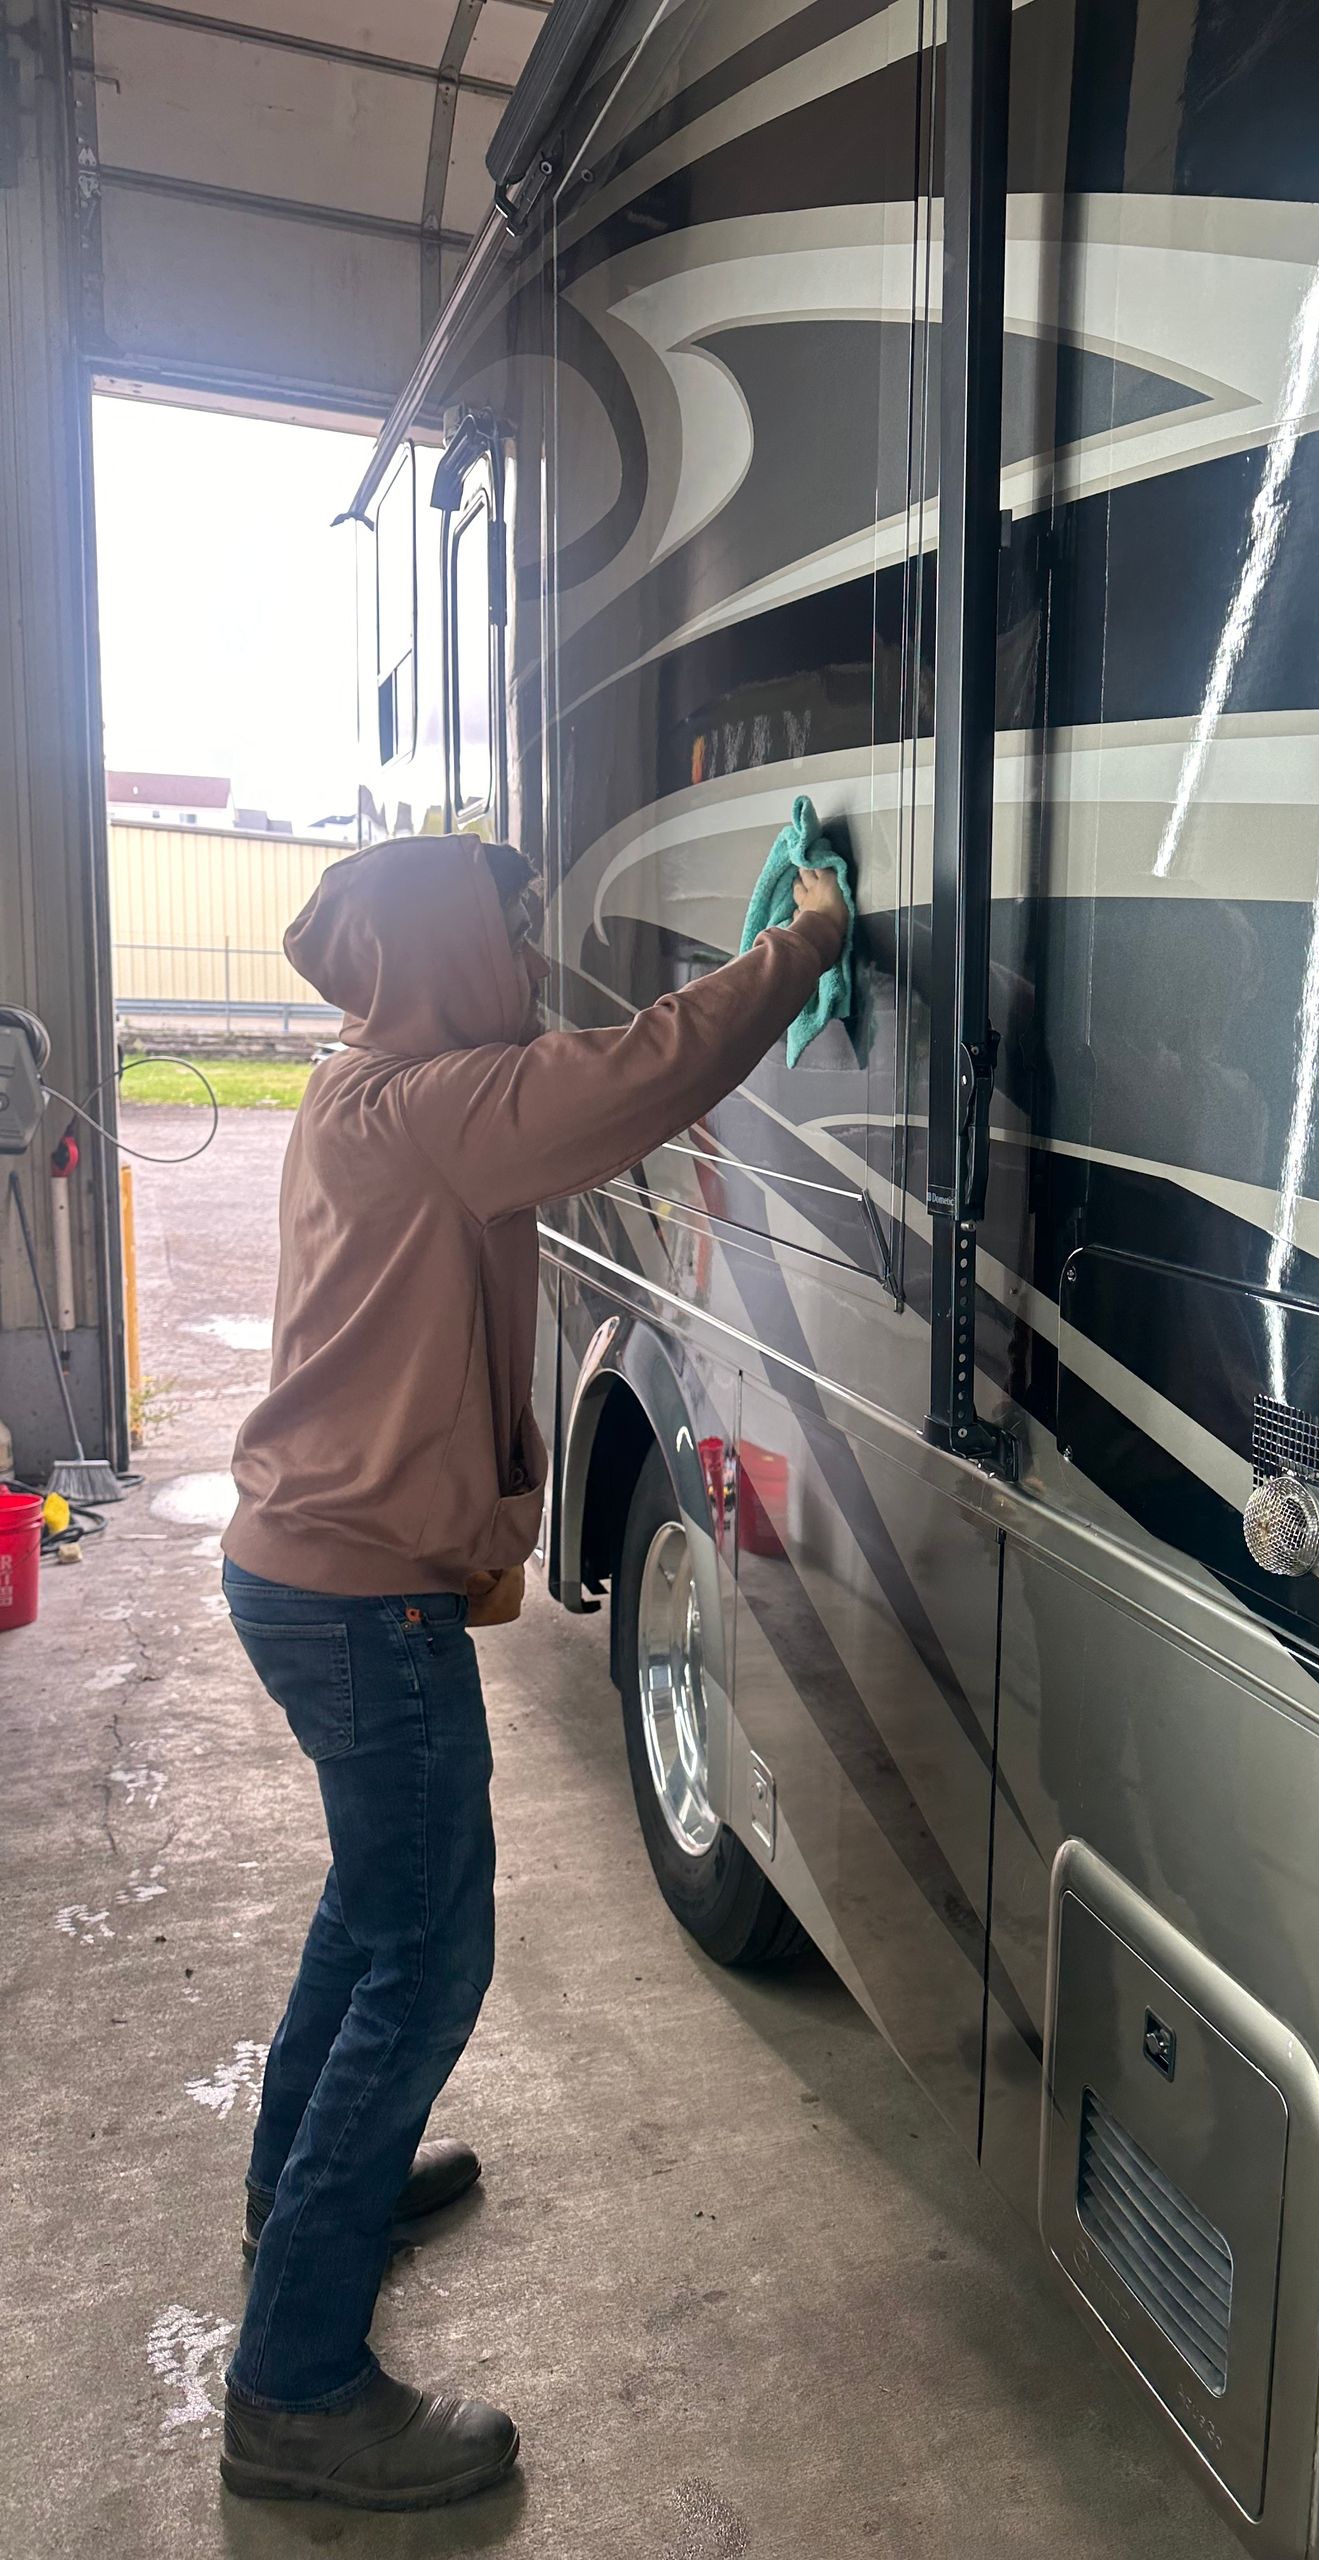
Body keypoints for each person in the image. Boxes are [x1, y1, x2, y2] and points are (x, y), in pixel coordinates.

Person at [215, 832, 846, 2509]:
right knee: (428, 1954)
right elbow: (636, 1076)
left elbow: (577, 1074)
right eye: (498, 928)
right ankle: (294, 2385)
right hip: (361, 1601)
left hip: (300, 1574)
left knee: (373, 1912)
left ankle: (302, 2199)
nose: (517, 950)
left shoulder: (367, 1089)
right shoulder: (435, 1114)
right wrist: (799, 948)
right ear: (439, 948)